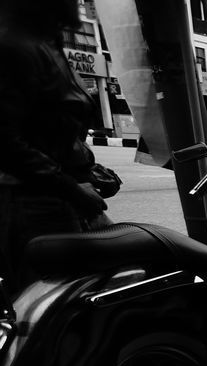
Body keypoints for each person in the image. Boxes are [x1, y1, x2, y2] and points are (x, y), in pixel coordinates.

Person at [0, 0, 113, 291]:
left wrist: (89, 170)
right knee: (50, 302)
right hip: (34, 205)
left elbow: (52, 130)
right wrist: (71, 188)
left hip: (60, 198)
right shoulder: (15, 47)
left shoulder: (46, 44)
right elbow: (7, 142)